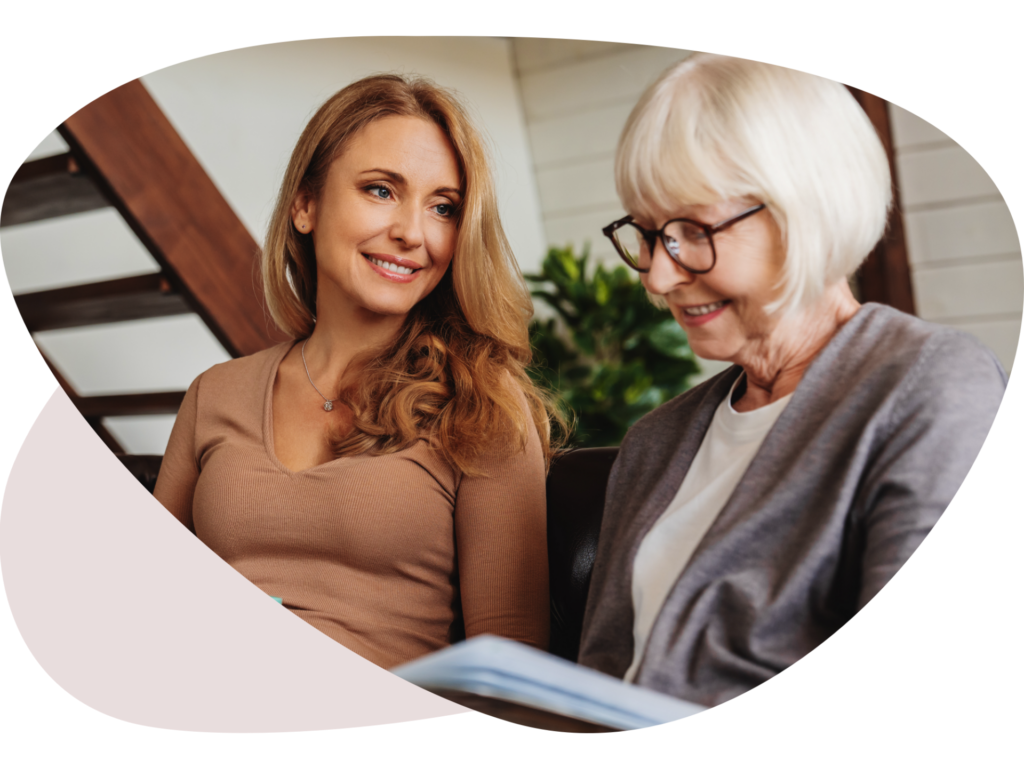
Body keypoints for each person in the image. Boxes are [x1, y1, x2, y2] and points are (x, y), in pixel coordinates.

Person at [578, 52, 1008, 703]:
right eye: (646, 234)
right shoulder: (655, 442)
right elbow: (604, 671)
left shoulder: (926, 385)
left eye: (693, 230)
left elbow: (953, 680)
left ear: (804, 207)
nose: (660, 278)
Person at [154, 74, 563, 670]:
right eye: (380, 190)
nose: (412, 233)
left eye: (443, 208)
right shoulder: (215, 393)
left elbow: (510, 670)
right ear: (305, 205)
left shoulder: (483, 407)